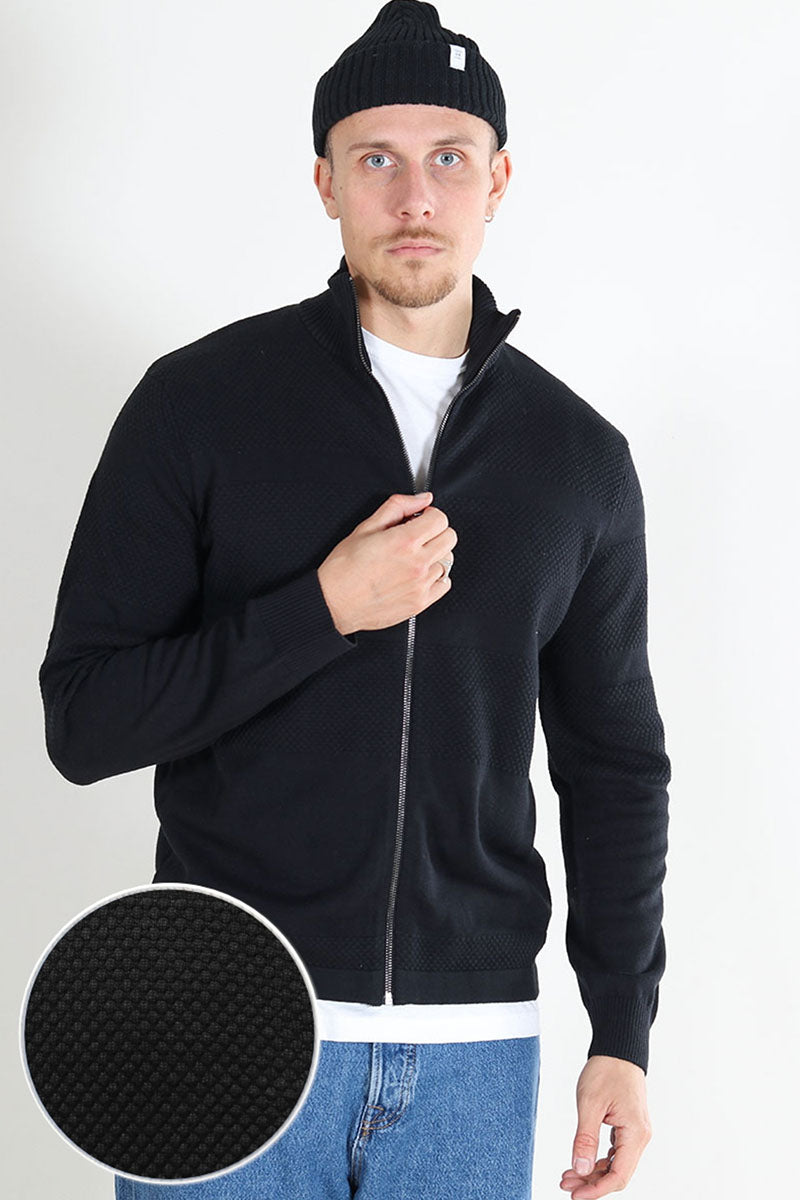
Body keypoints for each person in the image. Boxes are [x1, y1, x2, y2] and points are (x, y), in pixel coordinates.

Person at [38, 1, 670, 1197]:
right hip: (217, 1012)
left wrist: (621, 1033)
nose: (414, 197)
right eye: (375, 158)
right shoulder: (198, 405)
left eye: (449, 158)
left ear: (498, 180)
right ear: (324, 182)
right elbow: (86, 720)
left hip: (474, 1052)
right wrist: (317, 611)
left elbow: (614, 767)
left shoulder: (575, 459)